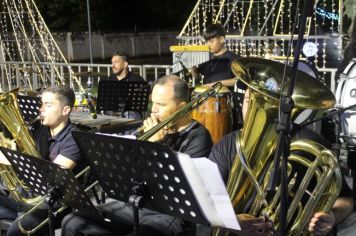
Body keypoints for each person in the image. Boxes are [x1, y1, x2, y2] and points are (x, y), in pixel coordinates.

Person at [61, 74, 213, 236]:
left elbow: (183, 186)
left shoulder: (198, 136)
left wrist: (155, 146)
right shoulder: (152, 127)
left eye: (160, 104)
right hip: (135, 204)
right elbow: (129, 171)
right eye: (152, 102)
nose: (153, 110)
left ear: (182, 107)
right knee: (73, 221)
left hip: (169, 213)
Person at [208, 88, 354, 236]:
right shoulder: (226, 146)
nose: (255, 109)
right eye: (248, 100)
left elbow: (346, 199)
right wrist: (231, 222)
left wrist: (333, 217)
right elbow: (206, 203)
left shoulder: (313, 144)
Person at [0, 85, 83, 235]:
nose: (41, 109)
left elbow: (53, 178)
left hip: (54, 204)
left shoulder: (74, 139)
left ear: (66, 110)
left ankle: (16, 219)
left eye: (48, 105)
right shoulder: (39, 130)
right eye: (42, 103)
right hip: (28, 196)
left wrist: (14, 159)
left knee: (15, 232)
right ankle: (16, 216)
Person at [190, 23, 246, 130]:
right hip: (205, 102)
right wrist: (191, 66)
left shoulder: (233, 58)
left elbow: (238, 80)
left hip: (223, 103)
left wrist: (217, 84)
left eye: (211, 41)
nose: (208, 44)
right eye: (206, 41)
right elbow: (196, 76)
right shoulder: (208, 58)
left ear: (221, 39)